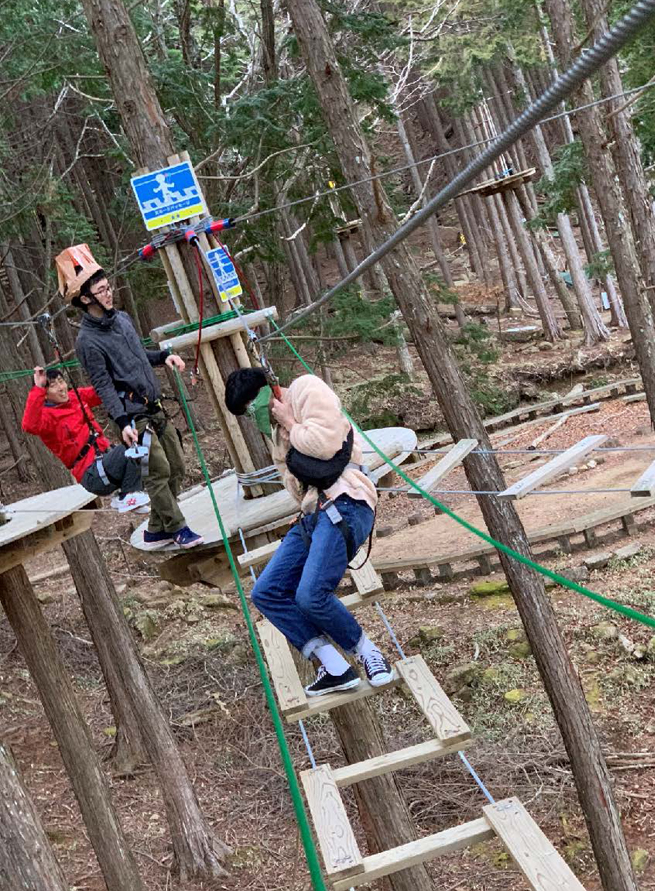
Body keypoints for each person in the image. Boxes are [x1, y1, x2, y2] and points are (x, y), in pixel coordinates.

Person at [225, 366, 395, 697]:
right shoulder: (277, 436)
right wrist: (304, 507)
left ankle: (369, 653)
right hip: (314, 514)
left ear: (268, 391)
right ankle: (334, 666)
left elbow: (325, 445)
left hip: (347, 500)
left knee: (311, 595)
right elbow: (297, 483)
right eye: (246, 413)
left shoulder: (306, 390)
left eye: (251, 406)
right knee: (267, 591)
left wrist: (290, 422)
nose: (253, 415)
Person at [55, 244, 203, 549]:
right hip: (132, 414)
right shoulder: (87, 342)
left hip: (154, 404)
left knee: (177, 466)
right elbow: (103, 385)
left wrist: (163, 357)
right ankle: (178, 528)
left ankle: (157, 529)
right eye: (101, 290)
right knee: (157, 471)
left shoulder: (122, 319)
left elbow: (138, 354)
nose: (108, 293)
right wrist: (122, 422)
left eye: (108, 287)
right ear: (86, 298)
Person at [22, 366, 149, 512]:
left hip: (106, 460)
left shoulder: (75, 396)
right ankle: (128, 495)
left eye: (61, 381)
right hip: (92, 474)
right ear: (45, 394)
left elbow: (101, 392)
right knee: (129, 449)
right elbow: (29, 425)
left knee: (142, 445)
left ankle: (130, 494)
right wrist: (38, 388)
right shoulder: (46, 417)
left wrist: (120, 371)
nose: (61, 388)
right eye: (53, 385)